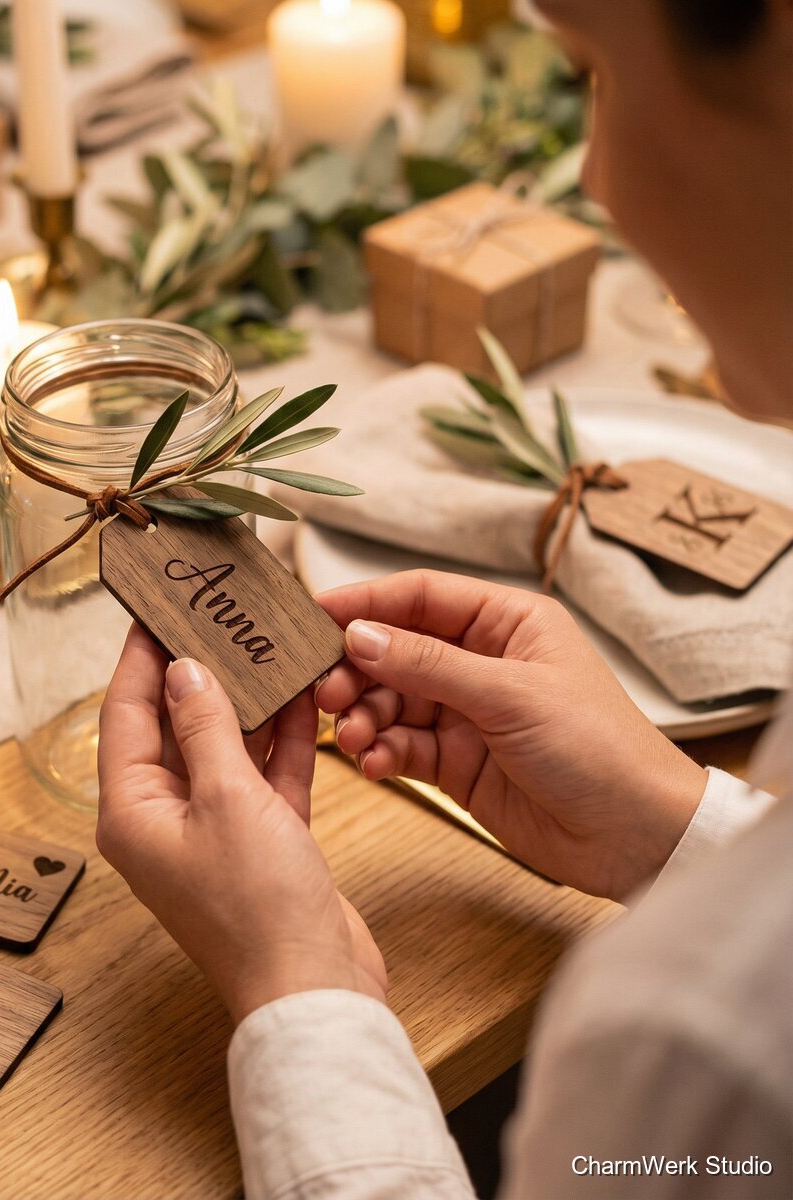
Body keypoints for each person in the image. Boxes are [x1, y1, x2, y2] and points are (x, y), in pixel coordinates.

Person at [96, 0, 792, 1196]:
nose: (588, 174)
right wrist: (679, 831)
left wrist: (299, 987)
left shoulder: (700, 1047)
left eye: (593, 75)